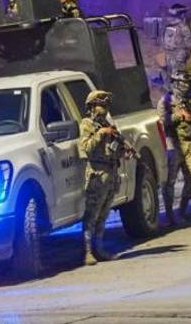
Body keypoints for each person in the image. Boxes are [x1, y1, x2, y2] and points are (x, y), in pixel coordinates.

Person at [78, 90, 135, 265]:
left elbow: (115, 150)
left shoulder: (110, 126)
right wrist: (101, 133)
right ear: (92, 107)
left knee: (103, 215)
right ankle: (88, 251)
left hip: (110, 174)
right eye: (100, 105)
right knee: (92, 215)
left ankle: (99, 248)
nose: (103, 109)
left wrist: (124, 150)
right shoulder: (87, 125)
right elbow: (86, 148)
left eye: (105, 106)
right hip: (97, 174)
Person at [157, 72, 191, 226]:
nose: (185, 86)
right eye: (182, 83)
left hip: (190, 142)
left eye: (187, 83)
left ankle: (183, 209)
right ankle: (170, 215)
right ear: (175, 83)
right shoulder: (165, 101)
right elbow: (162, 122)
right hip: (173, 143)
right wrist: (179, 116)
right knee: (170, 181)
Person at [162, 4, 191, 87]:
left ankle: (168, 88)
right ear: (182, 14)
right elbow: (189, 43)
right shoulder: (183, 27)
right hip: (179, 53)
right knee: (178, 74)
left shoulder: (168, 25)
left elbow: (163, 39)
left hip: (169, 53)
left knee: (169, 71)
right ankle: (176, 92)